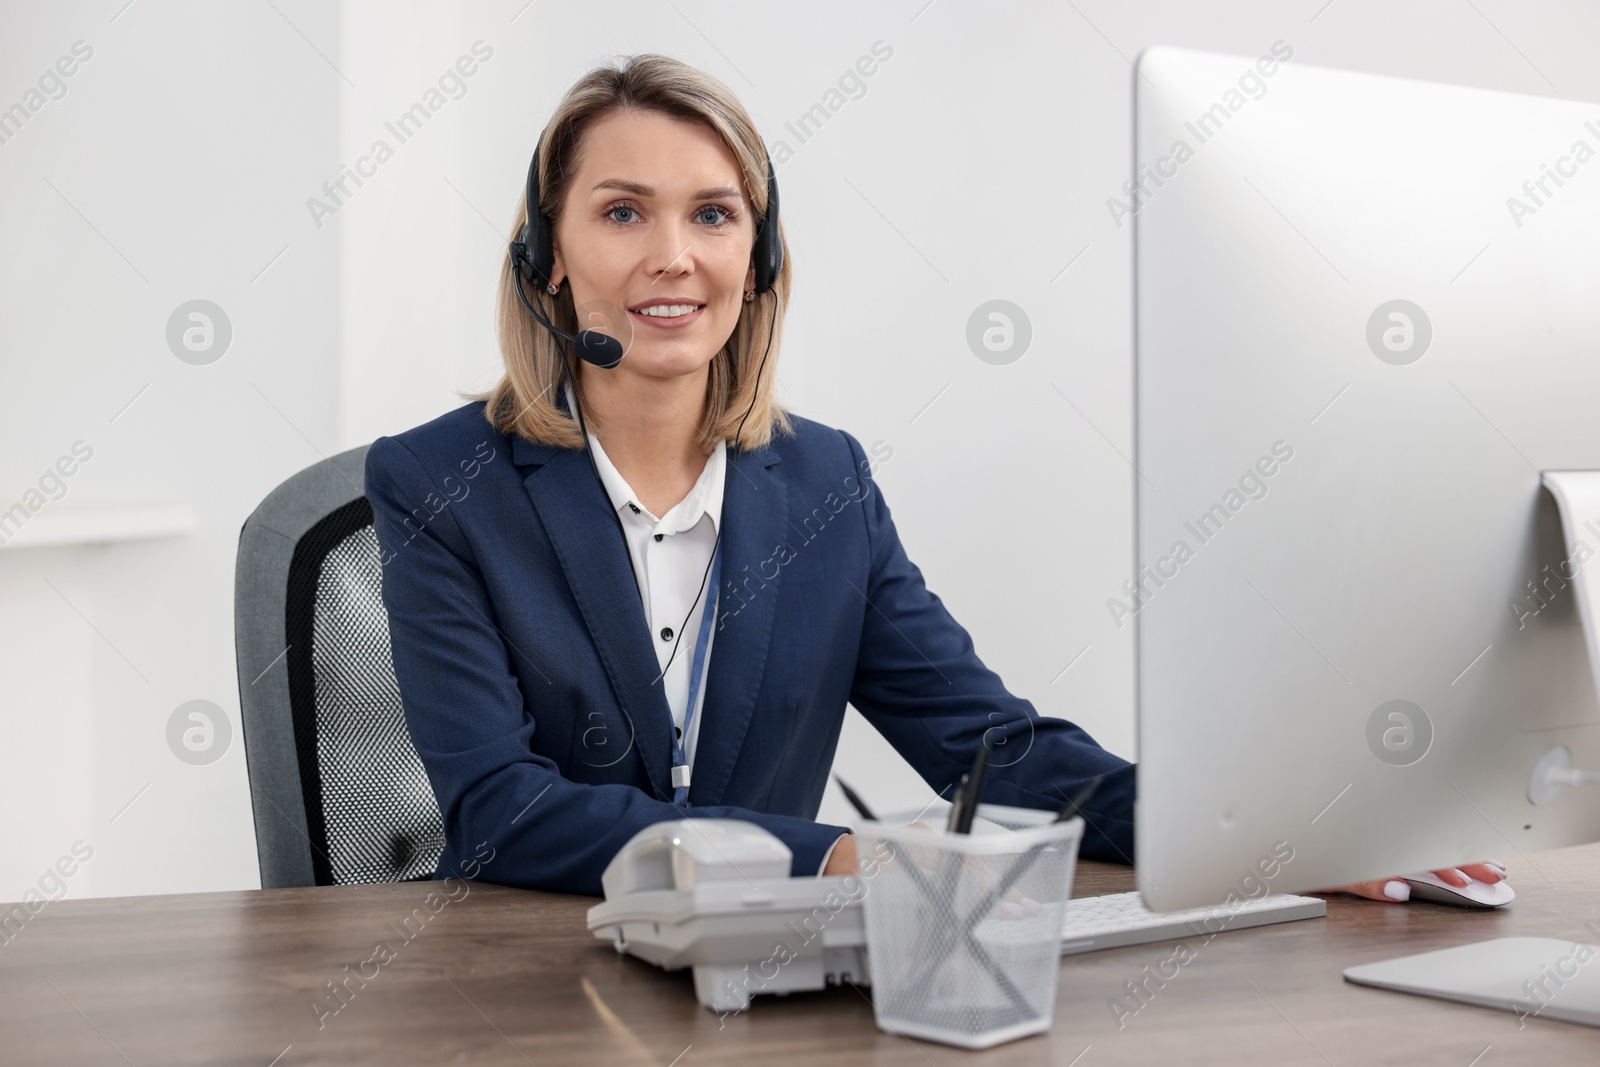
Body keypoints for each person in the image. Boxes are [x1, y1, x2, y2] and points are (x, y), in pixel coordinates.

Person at [364, 53, 1503, 905]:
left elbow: (992, 747)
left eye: (713, 214)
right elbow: (498, 815)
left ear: (755, 261)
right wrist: (835, 853)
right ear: (547, 255)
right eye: (622, 213)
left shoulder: (823, 484)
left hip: (766, 983)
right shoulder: (440, 482)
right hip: (530, 984)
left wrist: (1261, 830)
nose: (675, 255)